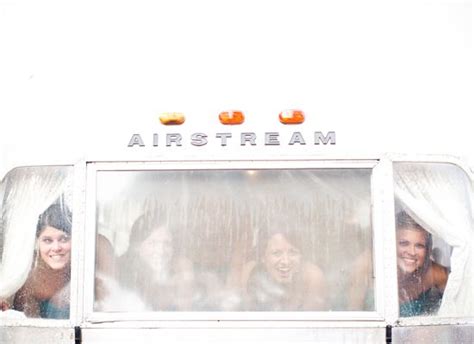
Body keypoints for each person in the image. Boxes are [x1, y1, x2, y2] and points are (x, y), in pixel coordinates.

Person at [4, 203, 72, 319]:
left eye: (63, 239)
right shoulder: (24, 276)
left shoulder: (88, 269)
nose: (56, 248)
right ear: (37, 243)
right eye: (47, 240)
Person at [241, 226, 327, 311]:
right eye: (277, 253)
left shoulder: (312, 276)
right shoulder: (251, 273)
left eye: (292, 252)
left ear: (301, 256)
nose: (285, 262)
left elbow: (310, 323)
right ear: (263, 257)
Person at [396, 211, 449, 317]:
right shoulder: (370, 271)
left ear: (428, 250)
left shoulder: (435, 274)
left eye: (419, 246)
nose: (411, 252)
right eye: (404, 243)